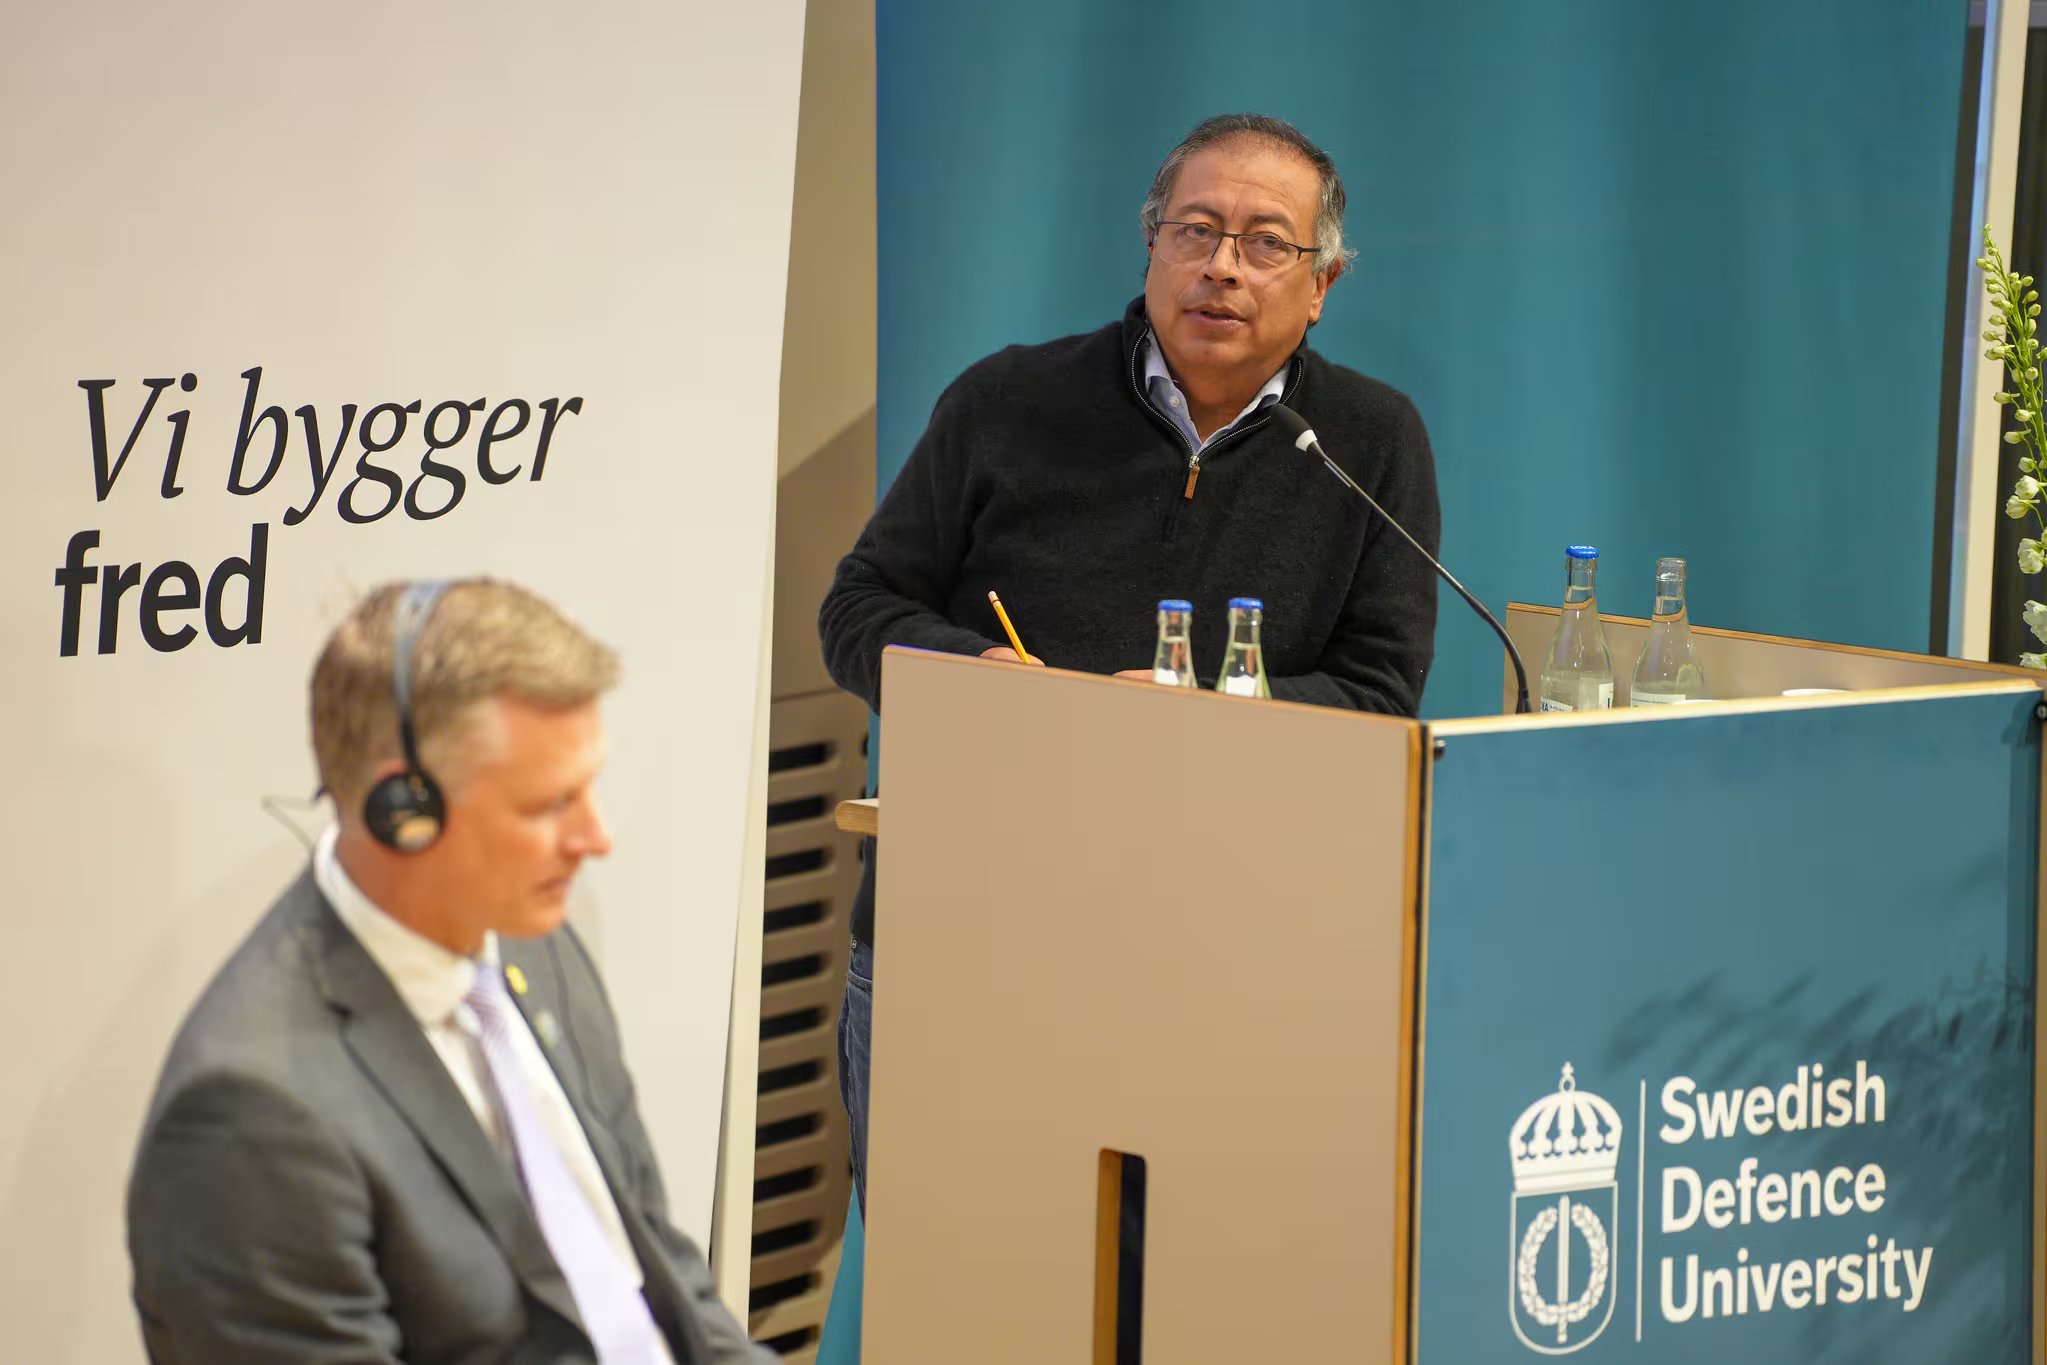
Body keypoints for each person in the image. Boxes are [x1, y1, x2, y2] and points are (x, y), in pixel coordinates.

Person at [818, 113, 1442, 1212]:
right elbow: (858, 607)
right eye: (1195, 230)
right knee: (959, 1272)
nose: (1221, 268)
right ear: (1150, 244)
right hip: (966, 934)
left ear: (1322, 285)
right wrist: (973, 677)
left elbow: (1379, 695)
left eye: (1265, 243)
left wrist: (1209, 715)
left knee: (1194, 1283)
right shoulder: (1005, 401)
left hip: (1228, 959)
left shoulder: (1368, 441)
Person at [127, 579, 772, 1365]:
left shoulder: (528, 937)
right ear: (402, 809)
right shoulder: (251, 1116)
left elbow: (659, 1271)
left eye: (588, 789)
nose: (595, 837)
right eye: (547, 804)